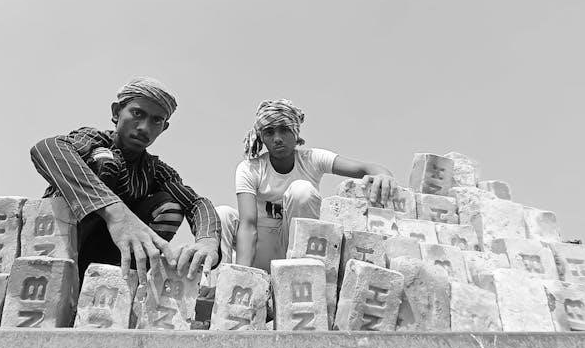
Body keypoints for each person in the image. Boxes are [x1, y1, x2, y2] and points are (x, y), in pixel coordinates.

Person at [31, 76, 220, 281]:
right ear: (116, 112)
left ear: (164, 128)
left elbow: (196, 203)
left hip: (108, 262)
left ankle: (124, 282)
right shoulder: (94, 141)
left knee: (170, 206)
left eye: (156, 120)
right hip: (62, 248)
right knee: (104, 162)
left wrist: (207, 241)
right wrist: (116, 213)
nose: (144, 128)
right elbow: (46, 148)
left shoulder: (155, 170)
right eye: (137, 114)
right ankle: (62, 275)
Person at [217, 99, 397, 272]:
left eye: (284, 130)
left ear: (295, 132)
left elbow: (366, 168)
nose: (277, 138)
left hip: (295, 250)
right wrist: (241, 274)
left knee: (301, 190)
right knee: (222, 214)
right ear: (262, 137)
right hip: (258, 251)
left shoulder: (312, 159)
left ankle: (300, 272)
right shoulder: (250, 168)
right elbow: (248, 225)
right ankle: (216, 284)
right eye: (269, 132)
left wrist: (384, 176)